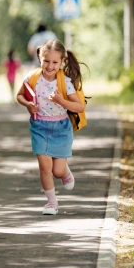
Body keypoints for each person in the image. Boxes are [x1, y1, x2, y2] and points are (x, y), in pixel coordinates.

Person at [15, 39, 85, 215]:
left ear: (62, 62)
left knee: (58, 171)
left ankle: (65, 171)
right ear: (40, 58)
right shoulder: (32, 78)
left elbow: (80, 107)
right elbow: (19, 95)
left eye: (55, 62)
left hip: (61, 128)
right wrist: (28, 105)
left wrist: (62, 101)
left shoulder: (65, 82)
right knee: (45, 168)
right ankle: (51, 203)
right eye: (46, 61)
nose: (50, 66)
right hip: (39, 126)